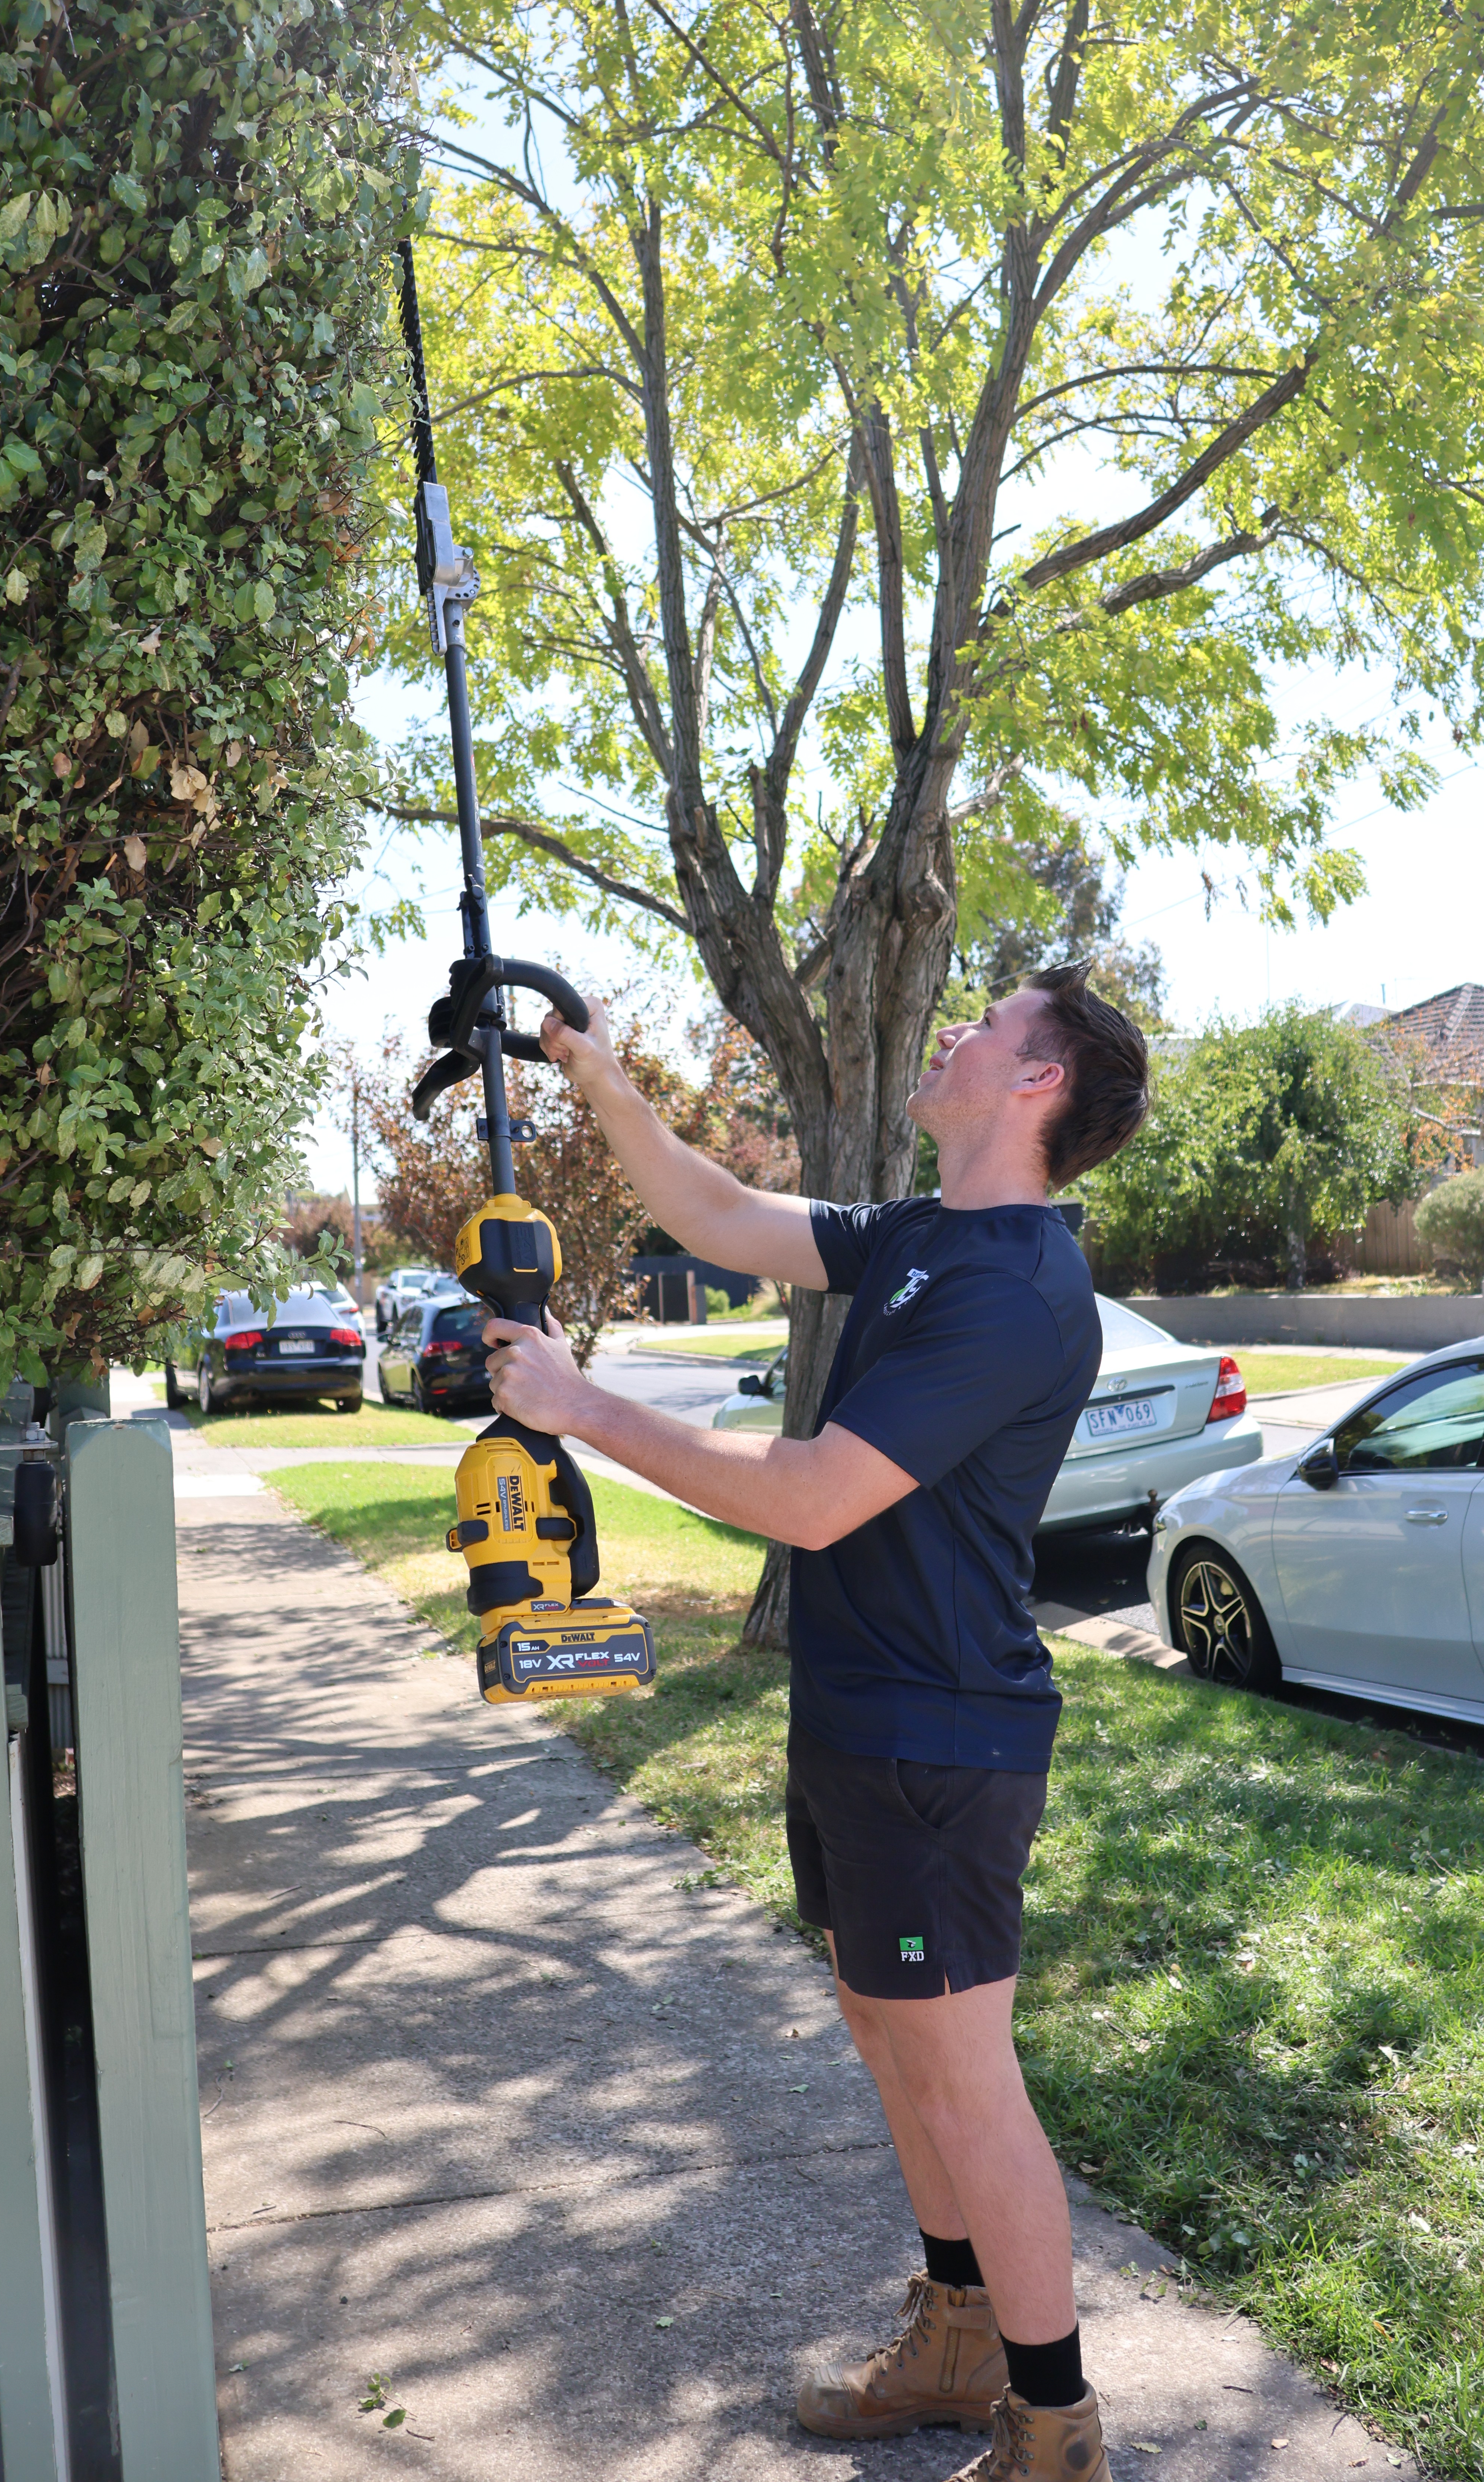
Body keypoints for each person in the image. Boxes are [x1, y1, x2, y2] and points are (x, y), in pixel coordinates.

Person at [482, 962, 1153, 2482]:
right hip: (857, 1717)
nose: (957, 1032)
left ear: (1036, 1083)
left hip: (937, 1739)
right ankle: (957, 2337)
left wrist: (585, 1410)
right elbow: (720, 1216)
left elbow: (811, 1493)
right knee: (885, 2031)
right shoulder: (925, 1236)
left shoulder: (1014, 1288)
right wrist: (602, 1086)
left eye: (989, 1026)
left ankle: (1052, 2422)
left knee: (962, 2069)